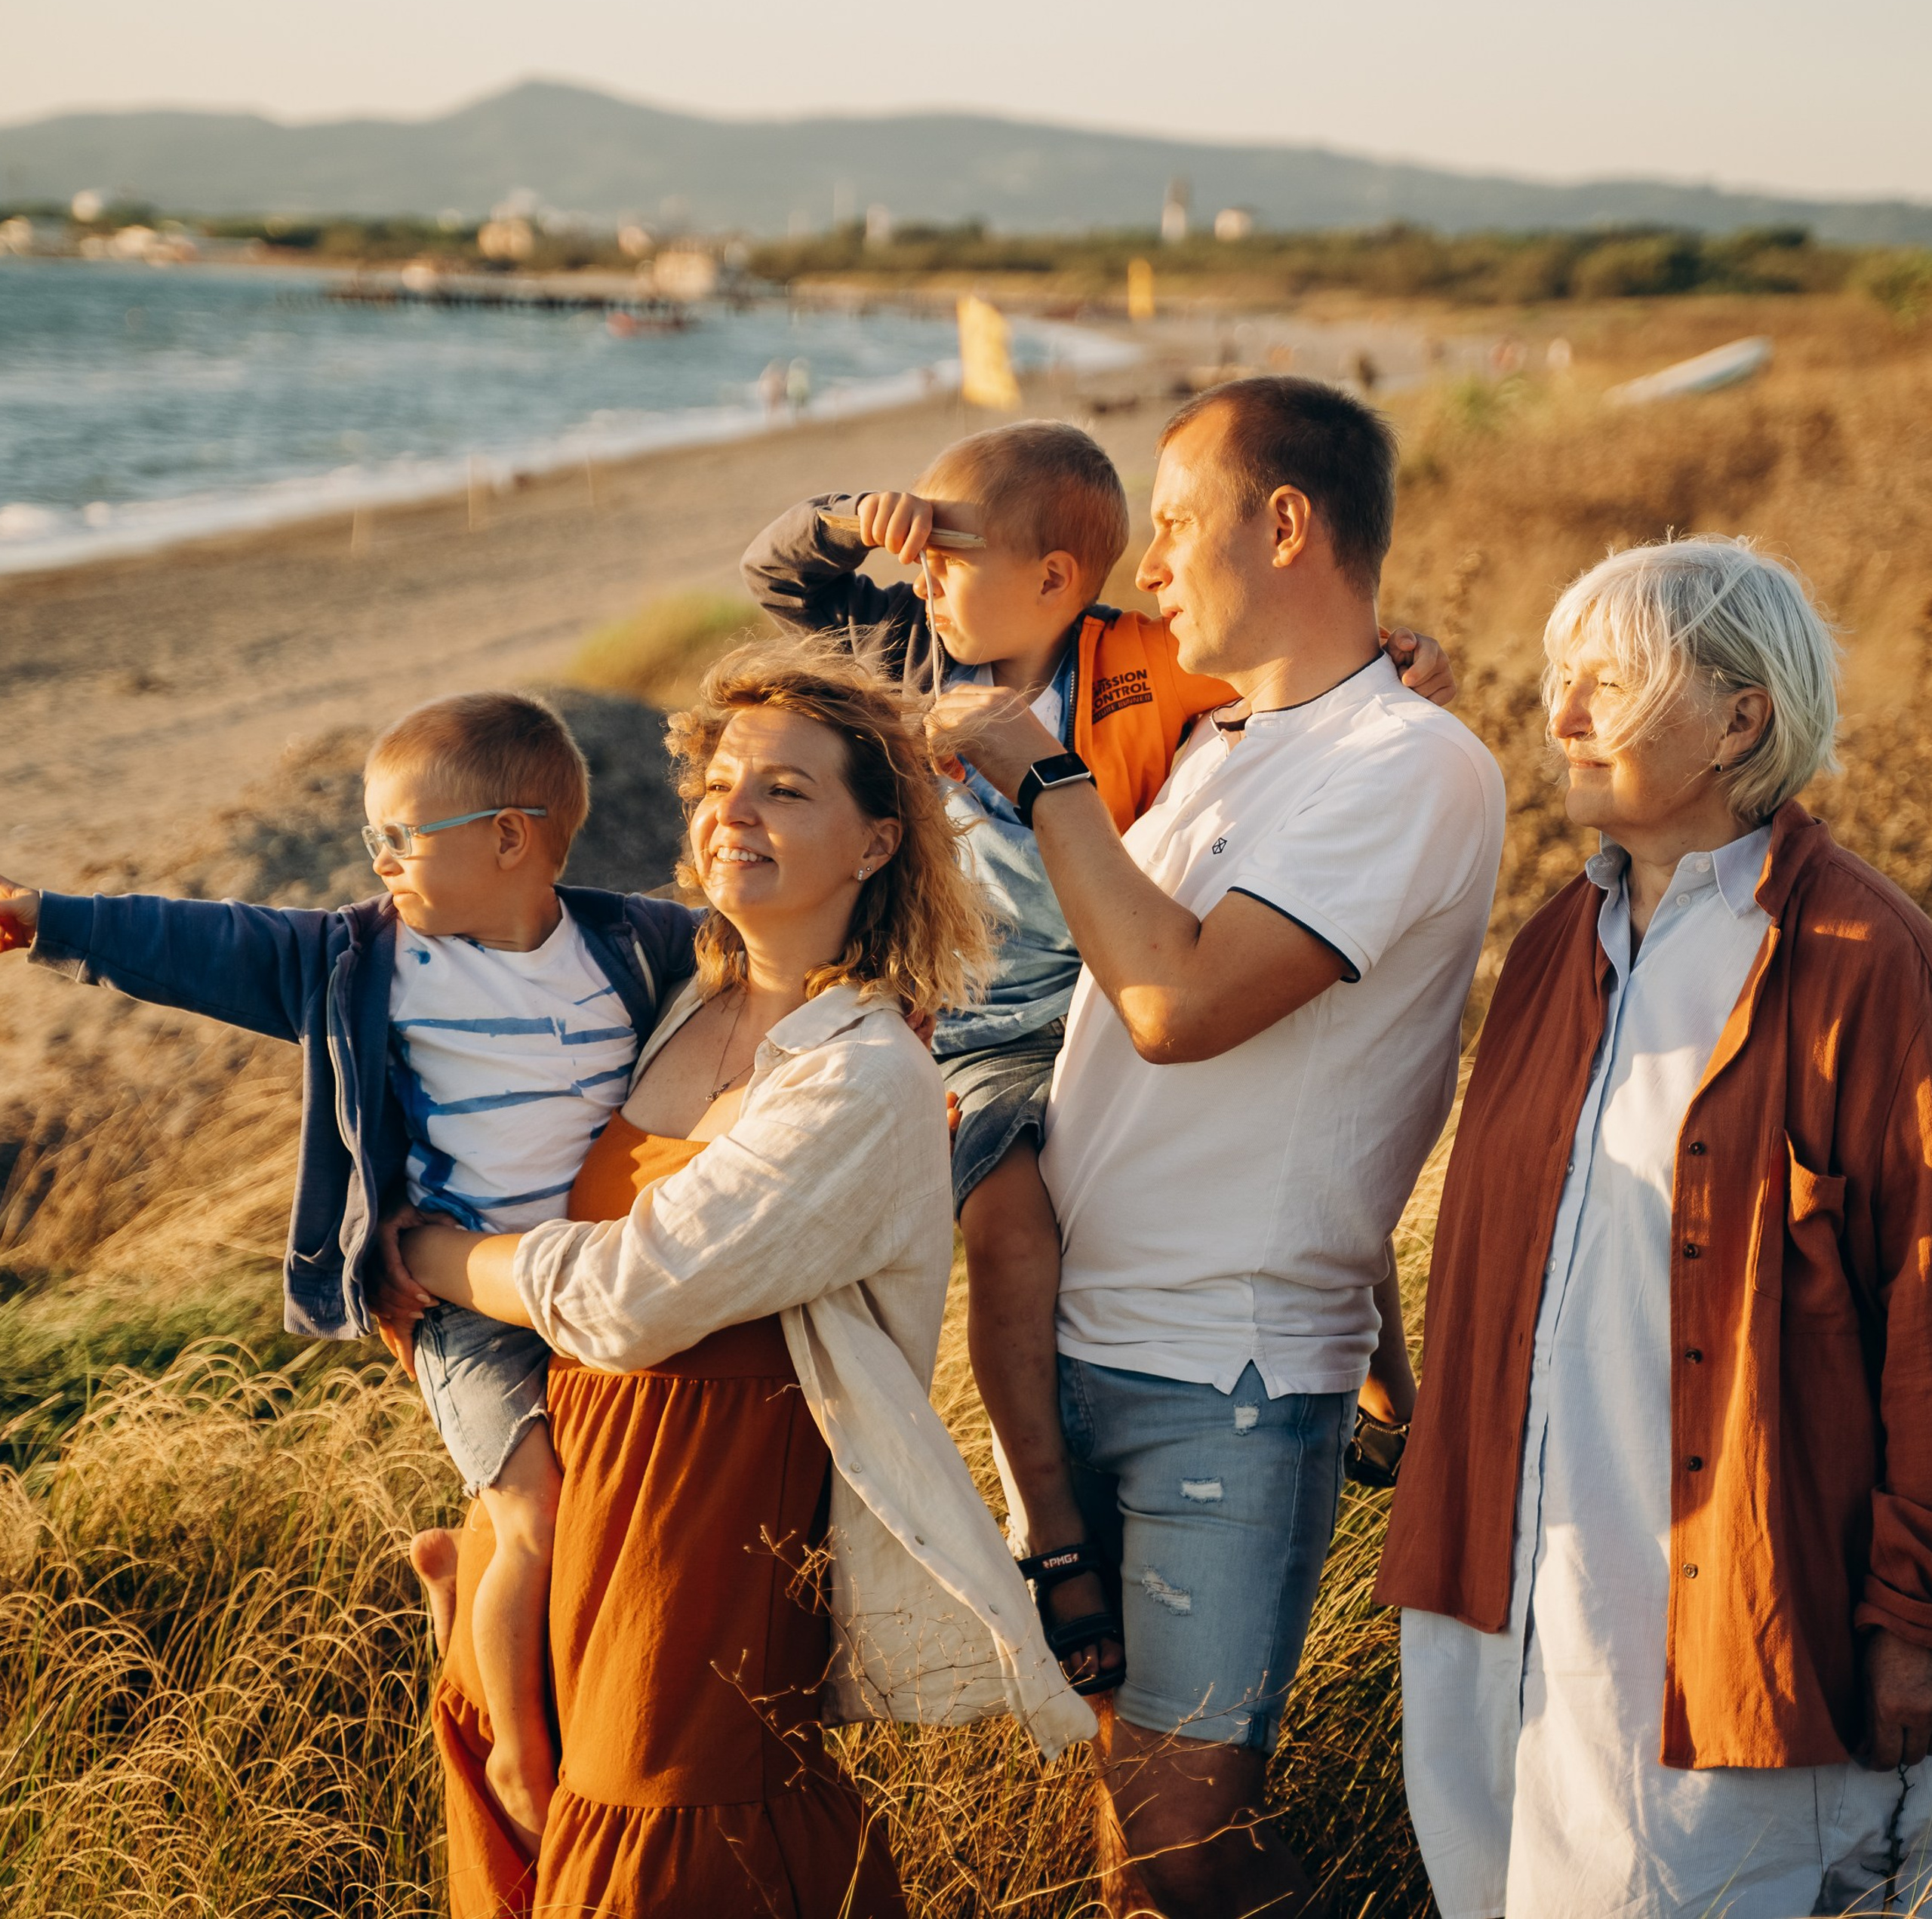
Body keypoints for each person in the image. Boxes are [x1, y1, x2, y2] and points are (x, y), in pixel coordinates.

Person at [741, 419, 1455, 1706]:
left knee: (1294, 1170)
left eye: (949, 559)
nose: (925, 584)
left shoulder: (1139, 660)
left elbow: (1294, 684)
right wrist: (862, 516)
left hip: (1102, 992)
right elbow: (778, 578)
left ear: (1060, 580)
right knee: (1009, 1232)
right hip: (969, 1026)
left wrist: (1394, 658)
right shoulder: (905, 650)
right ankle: (1052, 1532)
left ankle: (1393, 1392)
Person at [376, 643, 1097, 1917]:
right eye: (718, 783)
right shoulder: (668, 998)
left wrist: (434, 1256)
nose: (733, 812)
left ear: (878, 847)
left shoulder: (865, 1072)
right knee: (522, 1841)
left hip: (701, 1531)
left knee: (672, 1845)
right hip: (568, 1492)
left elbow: (631, 1294)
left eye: (786, 791)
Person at [928, 377, 1506, 1918]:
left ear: (1287, 522)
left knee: (1190, 1856)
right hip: (1085, 1353)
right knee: (1135, 1847)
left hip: (1225, 1377)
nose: (1148, 565)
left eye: (1173, 522)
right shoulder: (1218, 749)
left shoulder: (1407, 761)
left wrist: (1043, 782)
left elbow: (1176, 1004)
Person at [0, 691, 696, 1853]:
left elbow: (765, 973)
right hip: (462, 1300)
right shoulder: (360, 960)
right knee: (539, 1506)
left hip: (589, 1273)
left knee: (623, 1512)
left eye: (401, 837)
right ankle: (522, 1758)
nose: (375, 860)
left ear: (513, 837)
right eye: (373, 838)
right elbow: (204, 940)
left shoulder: (633, 943)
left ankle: (450, 1589)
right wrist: (47, 918)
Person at [1377, 538, 1932, 1919]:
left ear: (1741, 719)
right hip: (1496, 1617)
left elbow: (1929, 1316)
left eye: (1606, 684)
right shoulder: (1558, 947)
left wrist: (1913, 1617)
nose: (1557, 716)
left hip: (1723, 1637)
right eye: (1559, 679)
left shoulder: (1866, 961)